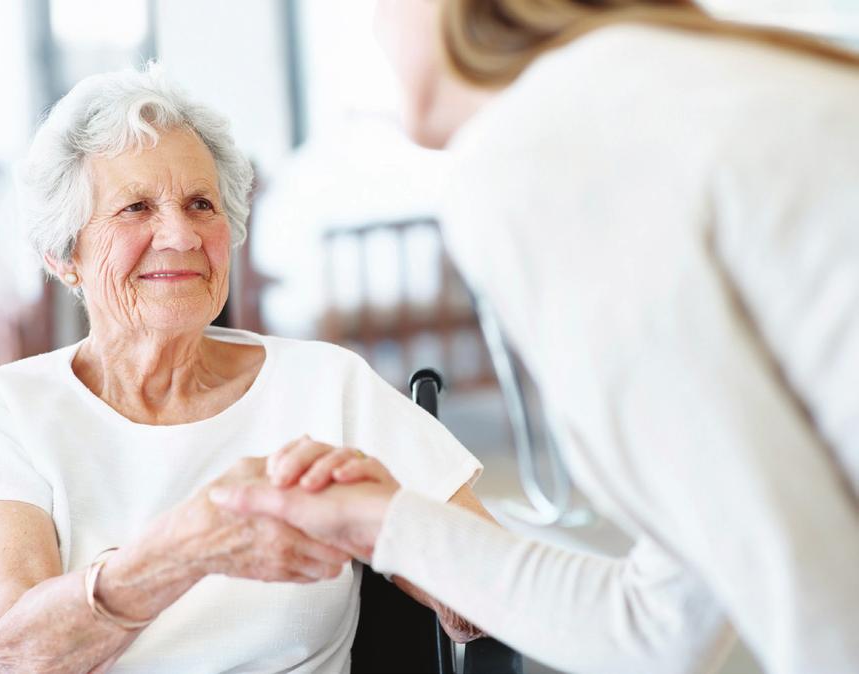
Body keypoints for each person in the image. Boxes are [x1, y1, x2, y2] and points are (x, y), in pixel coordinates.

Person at [210, 1, 859, 672]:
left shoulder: (540, 148)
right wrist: (381, 524)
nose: (373, 23)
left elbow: (815, 605)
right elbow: (657, 626)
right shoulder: (676, 84)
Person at [0, 64, 492, 674]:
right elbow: (19, 650)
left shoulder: (328, 384)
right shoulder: (0, 410)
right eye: (136, 207)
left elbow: (490, 600)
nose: (181, 236)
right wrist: (185, 551)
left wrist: (388, 523)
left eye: (200, 204)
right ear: (63, 255)